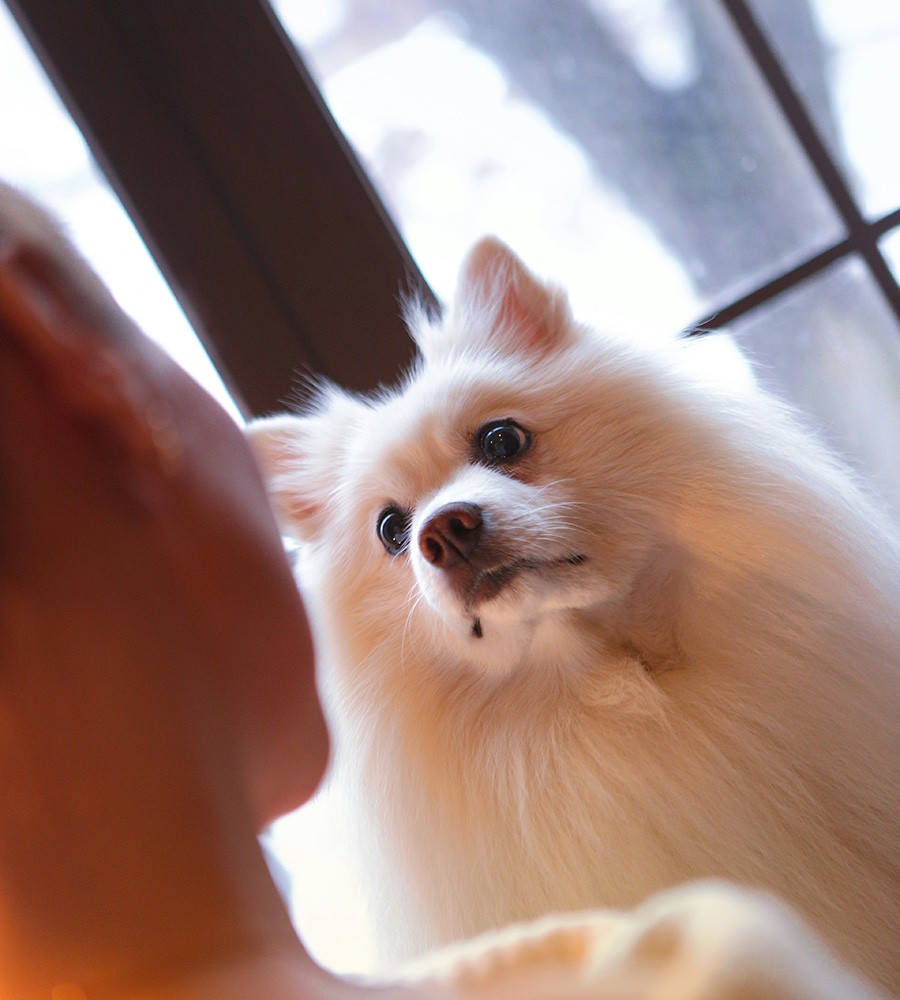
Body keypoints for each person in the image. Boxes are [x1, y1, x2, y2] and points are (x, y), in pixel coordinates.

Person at [0, 184, 886, 1000]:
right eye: (393, 530)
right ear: (61, 348)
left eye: (502, 443)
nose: (446, 524)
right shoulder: (699, 973)